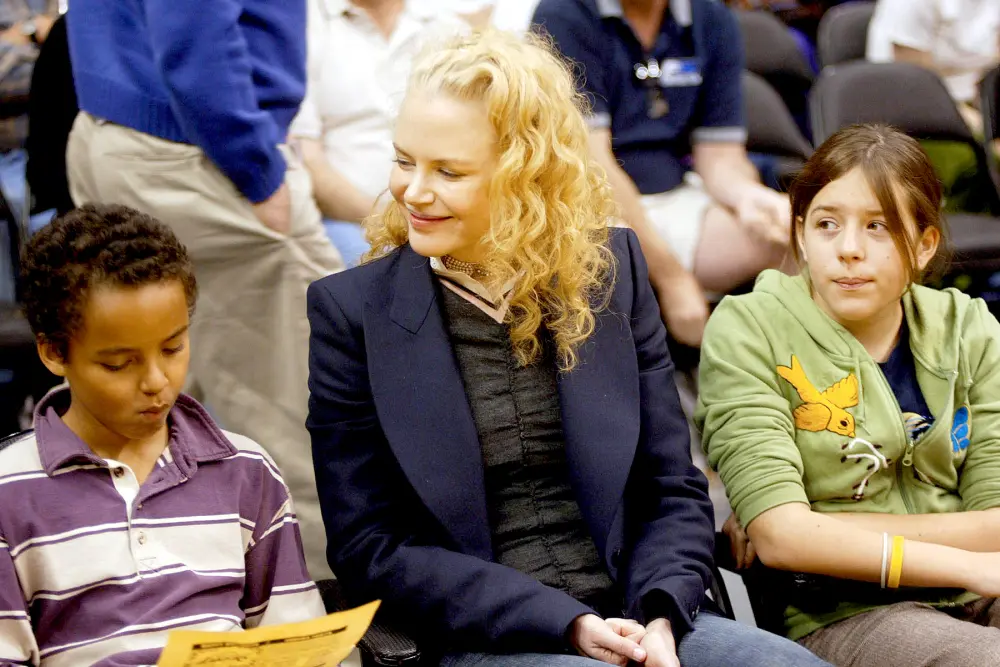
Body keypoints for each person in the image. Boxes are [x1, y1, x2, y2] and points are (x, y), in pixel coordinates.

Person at [307, 29, 831, 667]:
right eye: (403, 160)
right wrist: (570, 623)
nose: (412, 190)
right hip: (486, 636)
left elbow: (671, 488)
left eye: (448, 171)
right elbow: (369, 546)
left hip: (640, 612)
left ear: (525, 175)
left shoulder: (611, 274)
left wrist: (661, 613)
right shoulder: (352, 314)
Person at [696, 124, 1000, 666]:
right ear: (800, 234)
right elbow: (784, 540)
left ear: (925, 244)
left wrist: (820, 529)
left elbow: (997, 519)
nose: (848, 250)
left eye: (878, 227)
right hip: (835, 611)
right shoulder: (749, 328)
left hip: (979, 590)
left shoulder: (968, 327)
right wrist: (966, 563)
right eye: (827, 225)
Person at [64, 0, 344, 580]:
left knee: (140, 411)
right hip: (198, 146)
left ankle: (148, 606)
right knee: (301, 413)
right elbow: (193, 33)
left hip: (128, 126)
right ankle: (319, 611)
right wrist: (256, 169)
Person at [0, 204, 324, 665]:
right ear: (54, 353)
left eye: (173, 348)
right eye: (119, 364)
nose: (157, 381)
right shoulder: (10, 493)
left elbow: (296, 643)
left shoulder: (245, 471)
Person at [531, 0, 790, 347]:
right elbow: (592, 166)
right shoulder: (563, 16)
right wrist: (672, 278)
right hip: (590, 205)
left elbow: (719, 157)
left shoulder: (712, 19)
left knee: (794, 235)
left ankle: (783, 369)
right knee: (609, 265)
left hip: (675, 193)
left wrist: (748, 196)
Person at [290, 0, 465, 267]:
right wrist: (391, 224)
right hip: (346, 220)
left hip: (442, 213)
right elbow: (307, 158)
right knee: (383, 270)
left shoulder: (446, 26)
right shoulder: (305, 26)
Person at [867, 0, 1000, 134]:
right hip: (914, 97)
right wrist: (974, 121)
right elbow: (915, 81)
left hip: (978, 90)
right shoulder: (908, 4)